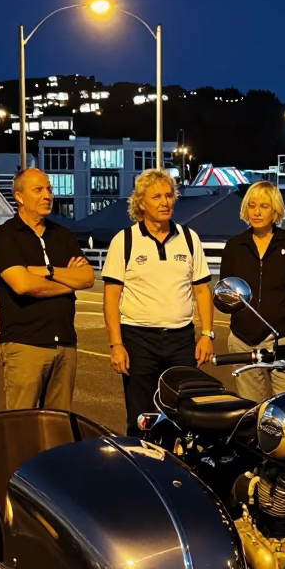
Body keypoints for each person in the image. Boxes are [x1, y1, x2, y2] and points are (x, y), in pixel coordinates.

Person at [102, 169, 214, 434]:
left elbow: (202, 290)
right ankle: (142, 468)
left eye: (169, 195)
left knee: (183, 415)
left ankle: (179, 470)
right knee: (142, 418)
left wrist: (207, 334)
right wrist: (116, 344)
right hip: (139, 341)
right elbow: (111, 298)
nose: (165, 202)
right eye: (157, 197)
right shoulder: (125, 240)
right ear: (141, 202)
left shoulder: (189, 238)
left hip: (181, 340)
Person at [0, 168, 94, 410]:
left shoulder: (63, 235)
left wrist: (48, 271)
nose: (47, 195)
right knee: (22, 423)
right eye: (38, 190)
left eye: (49, 189)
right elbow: (23, 285)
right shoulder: (3, 236)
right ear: (19, 196)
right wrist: (68, 284)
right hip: (26, 345)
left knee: (58, 426)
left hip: (65, 345)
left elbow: (87, 277)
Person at [218, 181, 285, 401]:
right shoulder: (235, 245)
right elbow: (226, 288)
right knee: (253, 408)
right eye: (252, 205)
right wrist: (231, 308)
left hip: (284, 337)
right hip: (243, 340)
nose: (257, 212)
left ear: (275, 210)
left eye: (264, 206)